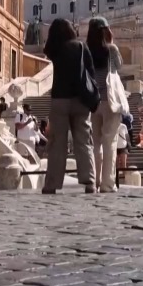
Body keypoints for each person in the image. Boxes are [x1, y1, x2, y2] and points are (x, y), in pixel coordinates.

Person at [41, 18, 96, 194]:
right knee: (83, 142)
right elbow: (91, 72)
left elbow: (47, 51)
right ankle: (89, 182)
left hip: (60, 99)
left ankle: (51, 184)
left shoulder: (55, 49)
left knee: (57, 143)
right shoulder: (81, 47)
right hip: (81, 99)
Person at [86, 17, 124, 193]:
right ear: (105, 31)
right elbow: (119, 66)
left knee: (96, 143)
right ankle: (107, 184)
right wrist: (112, 42)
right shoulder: (111, 49)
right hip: (110, 101)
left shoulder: (87, 51)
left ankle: (95, 180)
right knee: (110, 142)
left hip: (94, 102)